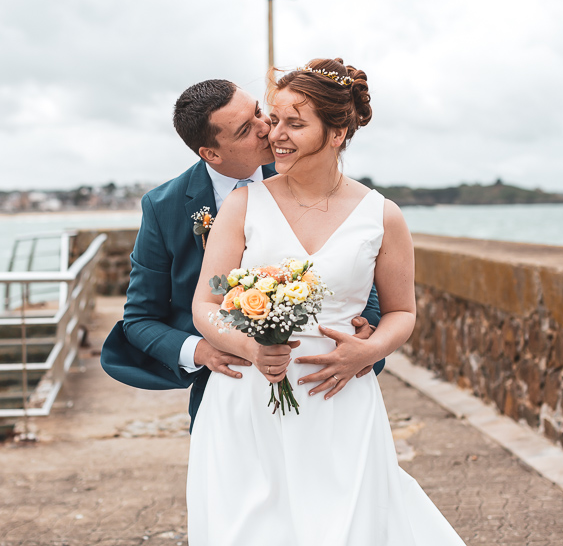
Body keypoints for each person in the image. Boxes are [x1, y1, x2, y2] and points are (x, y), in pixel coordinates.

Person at [189, 59, 466, 544]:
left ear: (337, 133)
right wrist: (254, 348)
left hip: (338, 403)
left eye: (295, 124)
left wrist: (369, 350)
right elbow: (207, 304)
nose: (276, 134)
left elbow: (402, 312)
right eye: (275, 119)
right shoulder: (243, 204)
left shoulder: (383, 216)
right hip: (249, 401)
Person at [100, 79, 385, 427]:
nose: (268, 129)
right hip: (228, 388)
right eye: (246, 130)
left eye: (259, 113)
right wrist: (203, 351)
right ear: (212, 154)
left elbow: (351, 262)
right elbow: (140, 320)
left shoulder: (304, 171)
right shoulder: (164, 207)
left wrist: (368, 331)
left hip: (325, 386)